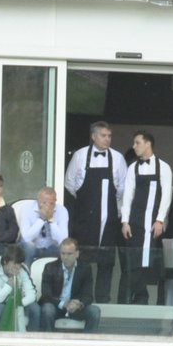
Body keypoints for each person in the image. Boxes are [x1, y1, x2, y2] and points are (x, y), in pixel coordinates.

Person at [65, 121, 128, 302]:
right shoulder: (79, 156)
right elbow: (69, 183)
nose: (107, 139)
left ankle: (103, 300)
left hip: (109, 219)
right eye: (103, 135)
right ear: (93, 136)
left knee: (106, 262)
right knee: (82, 261)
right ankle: (80, 298)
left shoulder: (117, 158)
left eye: (109, 136)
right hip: (85, 217)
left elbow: (123, 187)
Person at [119, 130, 173, 304]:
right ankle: (140, 295)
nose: (134, 146)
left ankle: (157, 301)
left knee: (152, 261)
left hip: (154, 222)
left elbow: (166, 196)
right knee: (134, 260)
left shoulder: (163, 167)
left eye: (137, 143)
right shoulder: (133, 167)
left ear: (148, 143)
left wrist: (160, 220)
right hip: (135, 219)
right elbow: (127, 196)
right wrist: (125, 221)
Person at [38, 237, 101, 332]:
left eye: (69, 254)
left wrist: (79, 304)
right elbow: (46, 294)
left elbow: (88, 295)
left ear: (77, 254)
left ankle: (87, 344)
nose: (65, 257)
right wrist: (64, 304)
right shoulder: (50, 267)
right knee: (47, 309)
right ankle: (48, 345)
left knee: (94, 311)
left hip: (75, 308)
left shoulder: (85, 268)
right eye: (63, 253)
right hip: (57, 306)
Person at [0, 245, 41, 332]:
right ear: (5, 261)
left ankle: (32, 342)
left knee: (35, 309)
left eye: (19, 264)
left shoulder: (22, 270)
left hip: (19, 302)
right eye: (14, 263)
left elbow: (32, 295)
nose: (17, 267)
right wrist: (9, 285)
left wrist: (18, 304)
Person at [22, 187, 71, 261]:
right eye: (44, 202)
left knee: (65, 249)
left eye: (51, 203)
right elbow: (26, 238)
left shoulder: (62, 210)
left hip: (52, 247)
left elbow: (63, 240)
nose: (47, 206)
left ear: (55, 201)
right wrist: (41, 219)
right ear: (38, 200)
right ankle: (27, 271)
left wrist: (51, 220)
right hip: (32, 246)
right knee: (29, 247)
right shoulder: (26, 208)